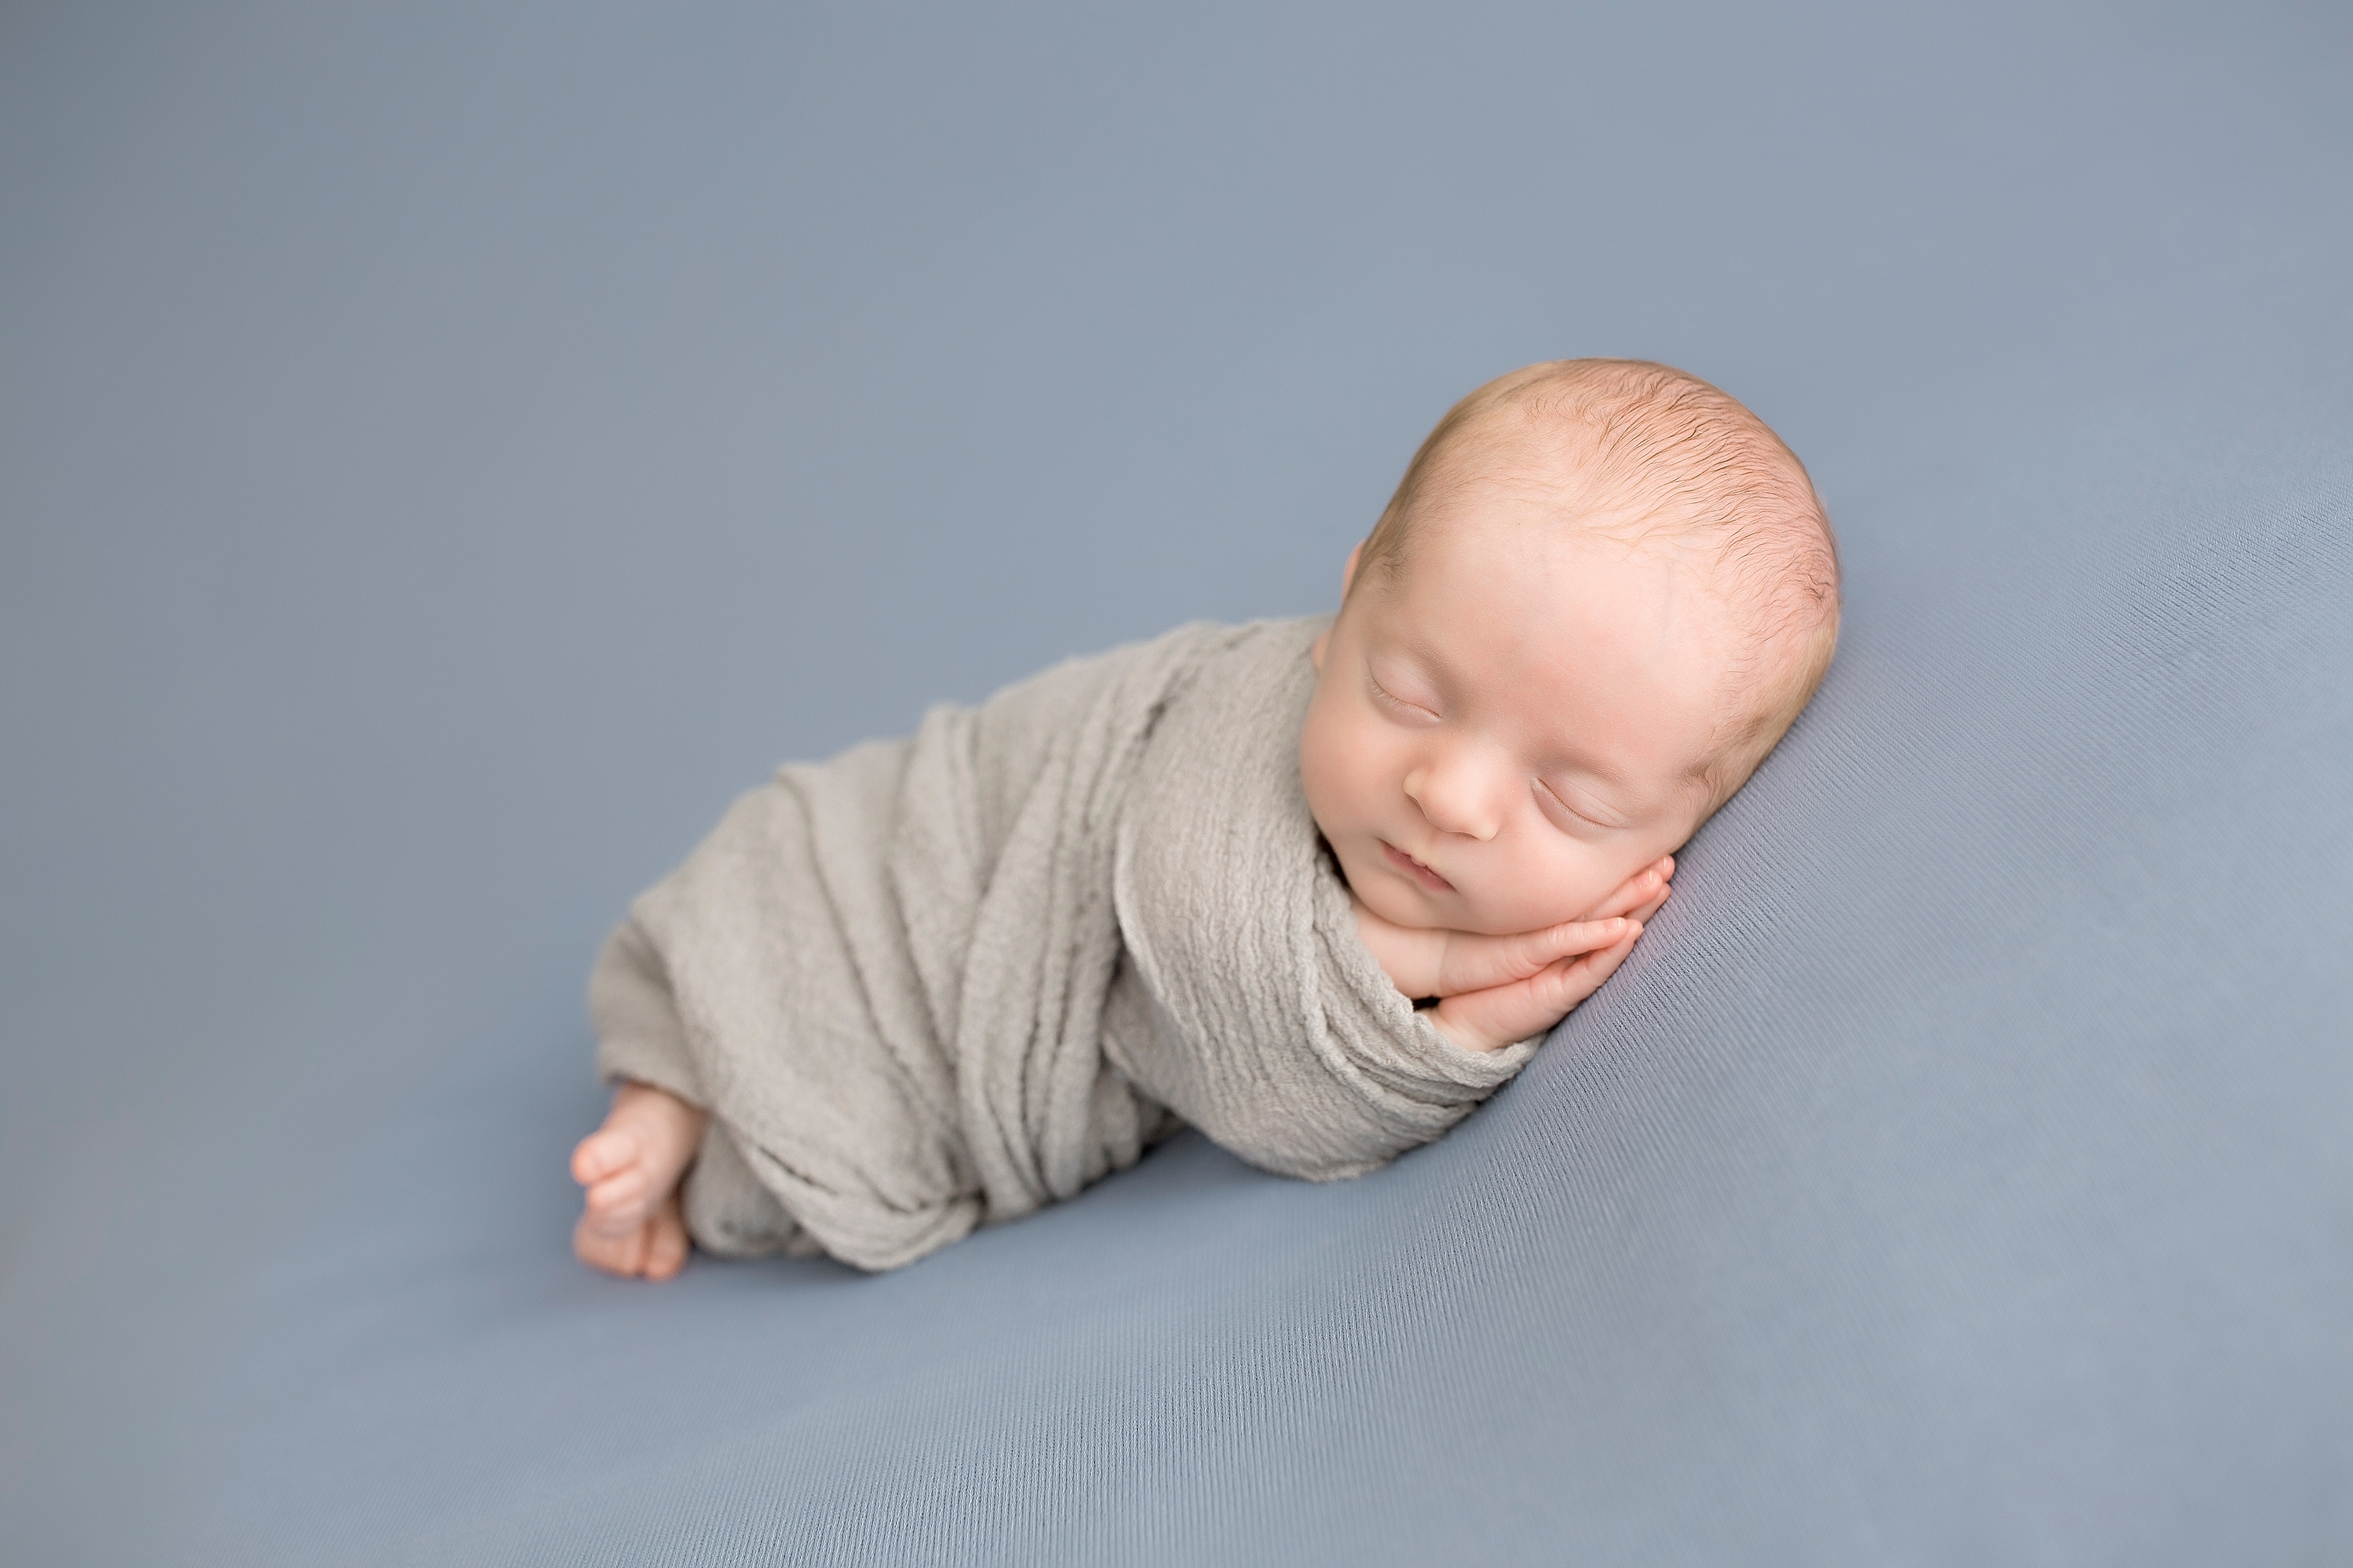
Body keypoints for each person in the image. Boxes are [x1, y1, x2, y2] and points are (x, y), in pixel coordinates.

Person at [571, 358, 1841, 1279]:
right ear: (1344, 613)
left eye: (1566, 795)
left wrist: (1435, 1001)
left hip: (965, 1001)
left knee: (775, 1136)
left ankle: (666, 1128)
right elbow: (1209, 999)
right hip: (879, 890)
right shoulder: (1231, 730)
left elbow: (1269, 1054)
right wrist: (1451, 985)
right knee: (767, 1031)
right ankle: (669, 1097)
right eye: (1405, 690)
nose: (1447, 796)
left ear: (1687, 819)